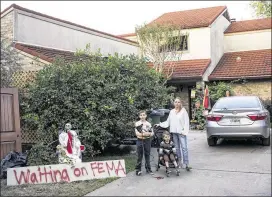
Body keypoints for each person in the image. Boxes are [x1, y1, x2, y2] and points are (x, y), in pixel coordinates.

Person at [157, 97, 192, 171]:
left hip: (182, 133)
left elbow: (186, 122)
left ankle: (186, 164)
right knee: (177, 149)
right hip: (174, 133)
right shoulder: (172, 111)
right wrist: (160, 124)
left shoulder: (183, 111)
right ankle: (179, 162)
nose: (177, 103)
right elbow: (168, 122)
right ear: (174, 103)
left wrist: (184, 131)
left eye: (178, 102)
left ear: (180, 103)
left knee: (184, 148)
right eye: (175, 102)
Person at [135, 110, 154, 176]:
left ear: (146, 116)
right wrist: (146, 134)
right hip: (140, 140)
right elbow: (137, 134)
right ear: (139, 116)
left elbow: (152, 133)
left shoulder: (148, 124)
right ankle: (138, 170)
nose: (142, 116)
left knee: (147, 154)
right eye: (141, 115)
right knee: (139, 155)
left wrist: (146, 134)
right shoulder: (137, 123)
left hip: (147, 141)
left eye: (144, 115)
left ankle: (148, 169)